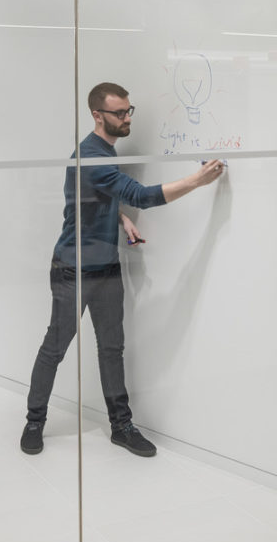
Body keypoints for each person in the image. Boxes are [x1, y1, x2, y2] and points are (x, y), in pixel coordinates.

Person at [21, 82, 225, 459]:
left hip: (107, 267)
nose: (127, 118)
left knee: (112, 349)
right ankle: (35, 420)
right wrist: (196, 181)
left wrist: (119, 220)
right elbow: (141, 196)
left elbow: (95, 200)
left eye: (130, 111)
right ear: (98, 115)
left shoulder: (103, 154)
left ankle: (121, 427)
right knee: (55, 347)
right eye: (120, 113)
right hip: (73, 269)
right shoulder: (89, 155)